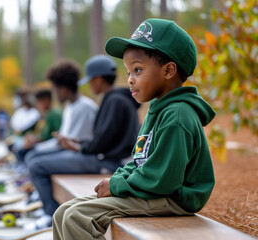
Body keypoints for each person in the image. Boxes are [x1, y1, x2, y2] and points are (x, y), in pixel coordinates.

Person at [53, 18, 216, 240]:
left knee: (77, 218)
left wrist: (117, 184)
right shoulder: (158, 109)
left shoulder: (176, 116)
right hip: (154, 191)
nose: (130, 80)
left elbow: (163, 180)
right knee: (63, 212)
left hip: (172, 198)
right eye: (128, 72)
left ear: (168, 71)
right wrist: (118, 178)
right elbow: (142, 162)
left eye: (137, 70)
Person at [24, 55, 141, 231]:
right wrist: (77, 142)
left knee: (37, 165)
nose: (89, 85)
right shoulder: (114, 99)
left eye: (91, 81)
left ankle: (50, 215)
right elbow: (103, 138)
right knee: (36, 161)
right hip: (105, 158)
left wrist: (78, 146)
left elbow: (101, 142)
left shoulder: (114, 100)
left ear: (99, 79)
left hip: (109, 163)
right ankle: (49, 210)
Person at [23, 59, 99, 230]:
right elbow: (62, 140)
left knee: (35, 163)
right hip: (73, 153)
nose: (55, 94)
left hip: (84, 155)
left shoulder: (84, 107)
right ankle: (44, 203)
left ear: (63, 88)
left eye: (55, 89)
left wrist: (37, 148)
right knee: (32, 156)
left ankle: (50, 214)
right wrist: (36, 146)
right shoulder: (71, 106)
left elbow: (70, 142)